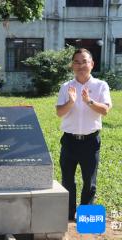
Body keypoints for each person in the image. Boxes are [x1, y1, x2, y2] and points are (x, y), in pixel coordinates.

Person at [56, 48, 112, 221]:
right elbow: (59, 112)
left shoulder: (100, 85)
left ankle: (86, 217)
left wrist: (89, 101)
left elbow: (105, 110)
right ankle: (68, 215)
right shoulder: (66, 87)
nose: (81, 65)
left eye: (84, 61)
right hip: (69, 141)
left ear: (92, 64)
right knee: (67, 180)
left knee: (89, 182)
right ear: (72, 65)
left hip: (90, 141)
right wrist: (71, 102)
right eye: (77, 62)